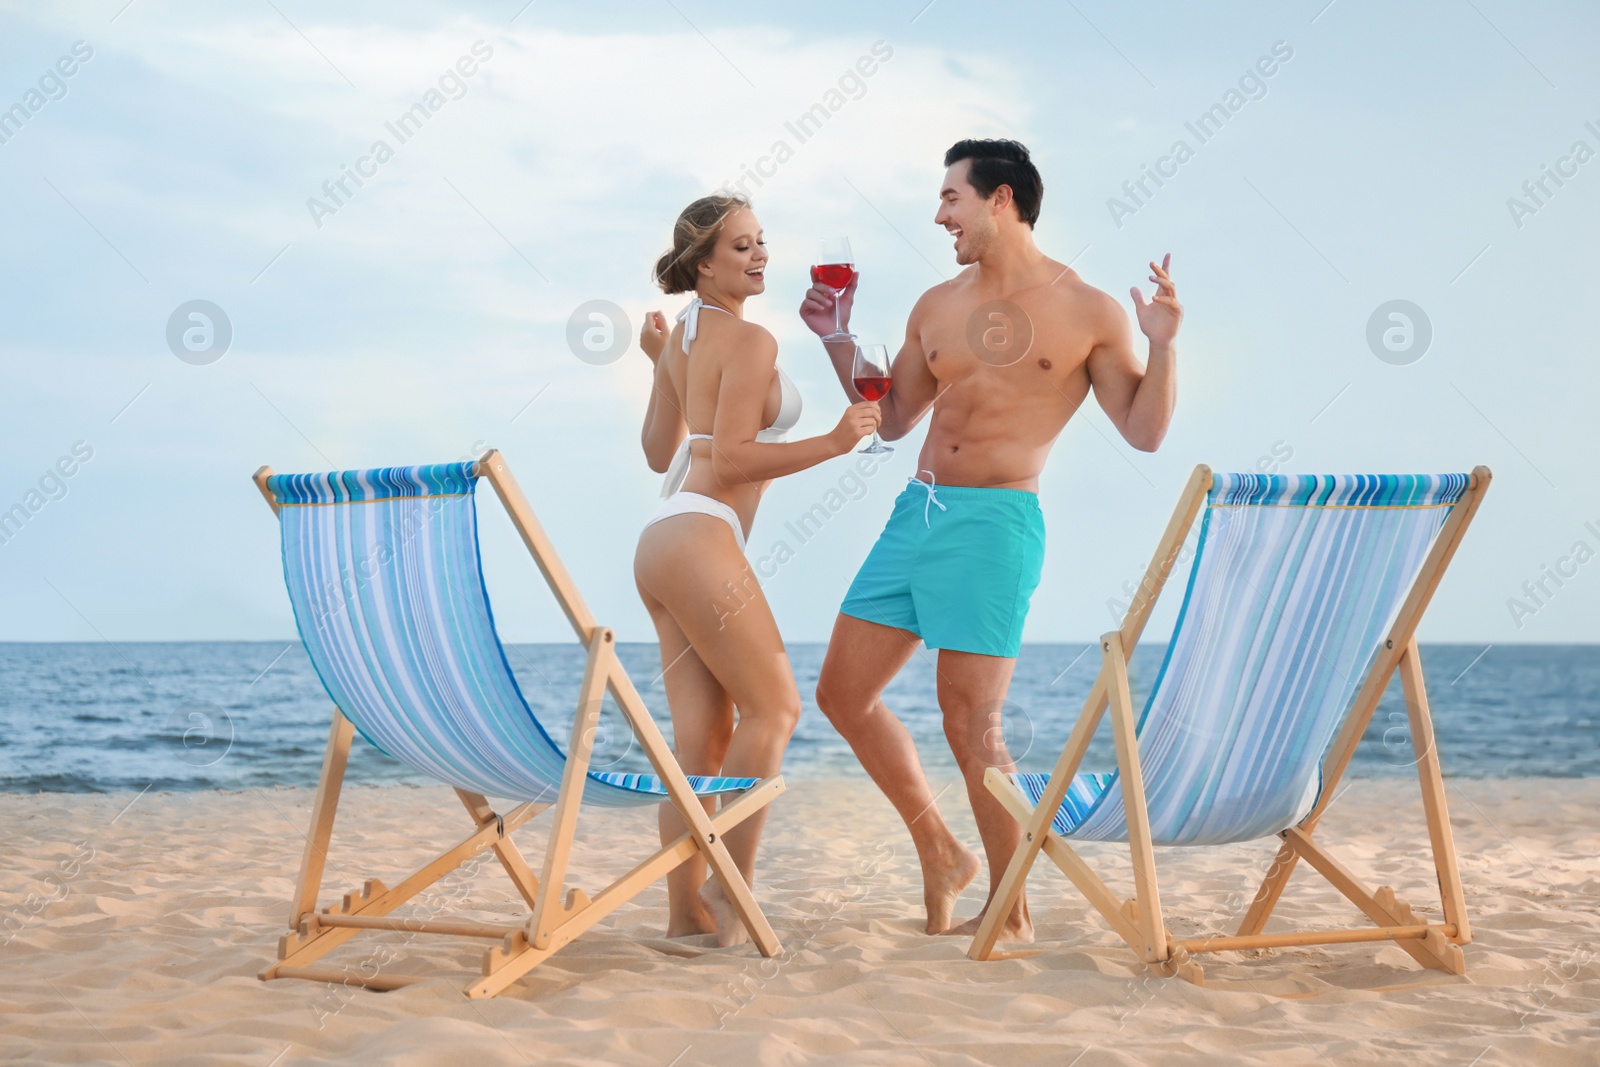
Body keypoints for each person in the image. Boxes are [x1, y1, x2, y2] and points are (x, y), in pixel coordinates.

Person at [799, 138, 1183, 943]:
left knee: (970, 721)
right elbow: (896, 418)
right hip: (918, 513)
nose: (940, 215)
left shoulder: (1088, 310)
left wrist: (1163, 343)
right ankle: (941, 849)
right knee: (841, 692)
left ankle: (1009, 907)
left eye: (951, 199)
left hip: (997, 524)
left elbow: (1145, 433)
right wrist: (838, 336)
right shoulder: (937, 305)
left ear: (1000, 200)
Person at [634, 194, 882, 946]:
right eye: (740, 247)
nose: (759, 256)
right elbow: (735, 456)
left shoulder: (681, 335)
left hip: (662, 540)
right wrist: (836, 443)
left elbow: (658, 453)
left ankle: (686, 916)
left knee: (702, 742)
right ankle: (727, 888)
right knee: (775, 710)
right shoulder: (751, 342)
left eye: (761, 242)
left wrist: (661, 366)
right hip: (703, 534)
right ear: (702, 264)